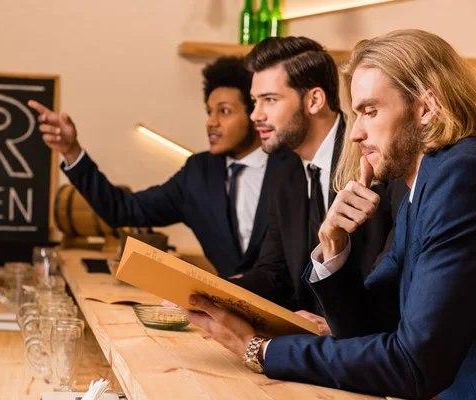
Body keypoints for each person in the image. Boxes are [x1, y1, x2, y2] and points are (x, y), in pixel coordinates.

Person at [182, 29, 476, 399]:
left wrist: (260, 349)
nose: (355, 134)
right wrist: (333, 246)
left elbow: (413, 364)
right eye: (356, 114)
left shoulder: (459, 175)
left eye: (370, 111)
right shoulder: (426, 184)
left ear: (425, 108)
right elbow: (370, 329)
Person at [29, 57, 290, 278]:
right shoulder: (198, 173)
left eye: (224, 111)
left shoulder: (292, 167)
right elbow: (123, 210)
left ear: (255, 113)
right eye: (209, 111)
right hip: (230, 316)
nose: (211, 122)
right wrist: (71, 150)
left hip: (297, 323)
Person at [229, 36, 406, 331]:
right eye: (254, 101)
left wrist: (337, 325)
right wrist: (210, 291)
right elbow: (275, 273)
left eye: (269, 100)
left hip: (369, 343)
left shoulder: (378, 155)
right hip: (310, 342)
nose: (255, 115)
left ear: (314, 100)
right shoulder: (284, 173)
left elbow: (395, 278)